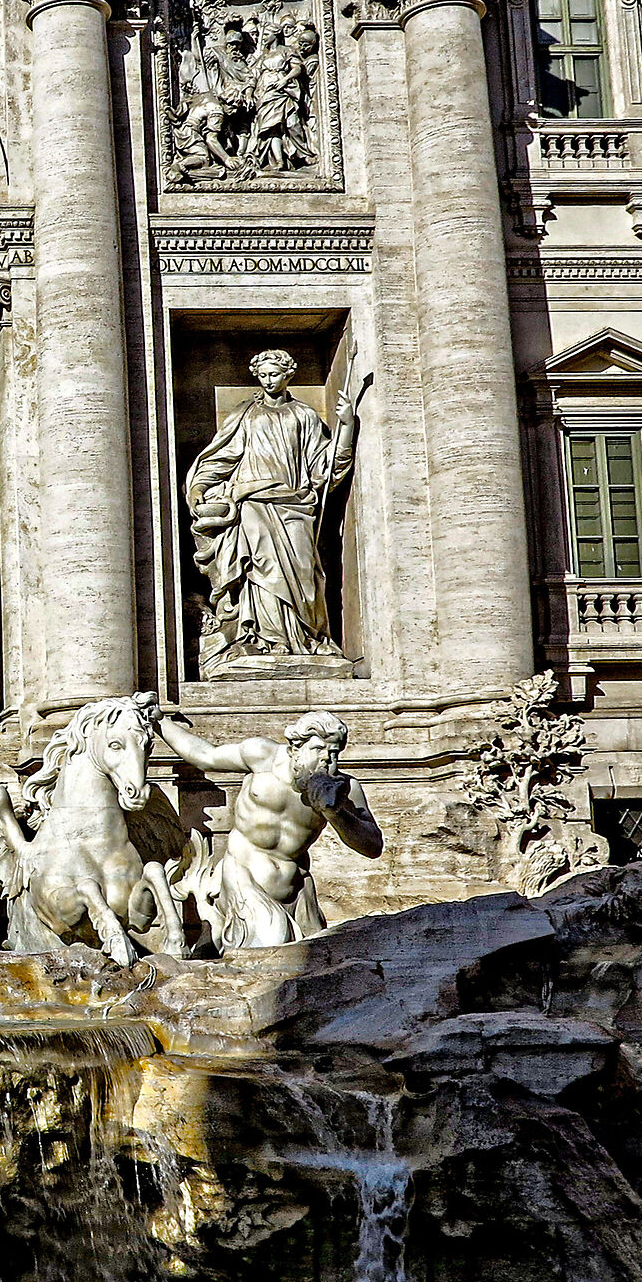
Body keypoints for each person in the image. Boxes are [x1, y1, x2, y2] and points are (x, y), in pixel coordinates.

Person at [185, 348, 362, 670]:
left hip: (296, 504)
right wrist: (199, 487)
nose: (268, 380)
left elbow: (327, 466)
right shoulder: (244, 415)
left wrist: (347, 426)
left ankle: (307, 638)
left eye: (275, 374)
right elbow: (221, 458)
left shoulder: (304, 416)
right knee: (261, 570)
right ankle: (267, 640)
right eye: (263, 375)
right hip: (252, 503)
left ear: (288, 375)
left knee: (305, 572)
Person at [156, 708, 383, 949]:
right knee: (269, 946)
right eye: (317, 749)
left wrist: (335, 814)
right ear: (296, 746)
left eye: (334, 752)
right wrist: (159, 722)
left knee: (315, 960)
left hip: (296, 892)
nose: (326, 759)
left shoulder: (344, 789)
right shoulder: (262, 756)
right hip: (243, 879)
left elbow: (373, 846)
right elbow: (205, 756)